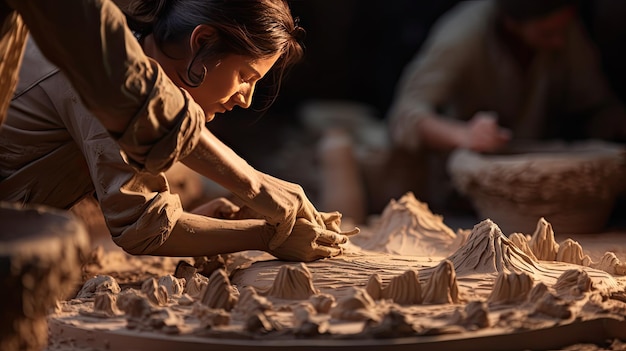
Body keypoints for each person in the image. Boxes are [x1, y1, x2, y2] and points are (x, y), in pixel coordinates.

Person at [0, 0, 357, 261]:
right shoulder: (91, 81)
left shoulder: (114, 65)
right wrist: (268, 233)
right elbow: (144, 228)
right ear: (201, 43)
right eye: (245, 77)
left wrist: (204, 226)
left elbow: (144, 209)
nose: (246, 99)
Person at [386, 0, 626, 209]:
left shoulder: (562, 28)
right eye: (547, 33)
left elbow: (596, 105)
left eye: (564, 30)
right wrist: (464, 135)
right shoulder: (465, 33)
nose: (559, 42)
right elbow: (404, 114)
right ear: (512, 23)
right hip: (467, 196)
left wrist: (614, 122)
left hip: (544, 186)